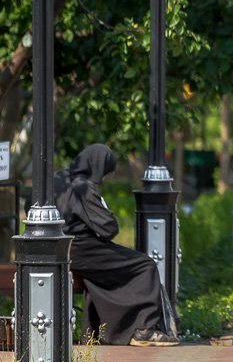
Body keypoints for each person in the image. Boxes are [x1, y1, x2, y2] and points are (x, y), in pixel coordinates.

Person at [53, 144, 179, 346]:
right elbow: (108, 228)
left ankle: (98, 332)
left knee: (99, 277)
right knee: (144, 265)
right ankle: (144, 329)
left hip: (57, 249)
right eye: (106, 173)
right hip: (82, 250)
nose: (105, 178)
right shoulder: (81, 186)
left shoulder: (56, 178)